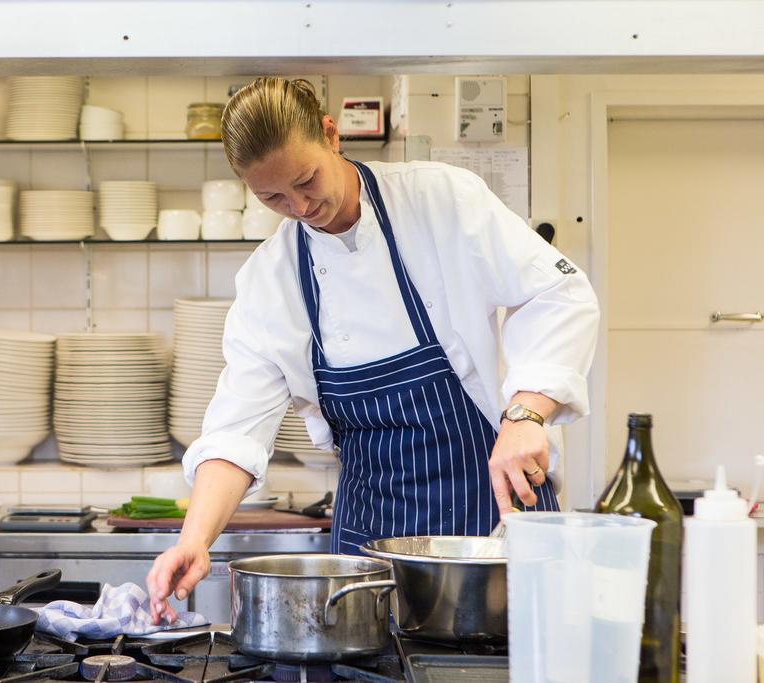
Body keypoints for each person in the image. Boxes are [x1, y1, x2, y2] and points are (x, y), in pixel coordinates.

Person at [147, 77, 599, 623]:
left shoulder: (441, 200)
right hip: (369, 543)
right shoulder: (271, 280)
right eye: (272, 197)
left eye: (306, 179)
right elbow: (236, 430)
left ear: (331, 135)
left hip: (490, 521)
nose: (299, 205)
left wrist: (527, 413)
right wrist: (194, 539)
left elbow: (558, 291)